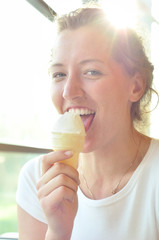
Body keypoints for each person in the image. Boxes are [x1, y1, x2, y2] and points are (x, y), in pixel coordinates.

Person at [16, 6, 159, 240]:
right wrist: (58, 232)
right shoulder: (36, 180)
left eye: (92, 71)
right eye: (59, 74)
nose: (68, 92)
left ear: (135, 86)